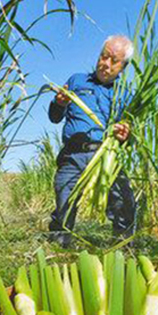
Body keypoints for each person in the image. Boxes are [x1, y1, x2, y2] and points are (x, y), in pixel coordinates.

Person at [47, 35, 136, 248]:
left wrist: (126, 135)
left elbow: (129, 136)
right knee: (64, 201)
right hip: (73, 155)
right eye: (103, 57)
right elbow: (55, 117)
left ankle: (122, 247)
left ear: (123, 67)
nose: (105, 64)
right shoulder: (77, 80)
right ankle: (60, 246)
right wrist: (58, 103)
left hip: (107, 157)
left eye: (113, 60)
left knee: (124, 201)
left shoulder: (125, 95)